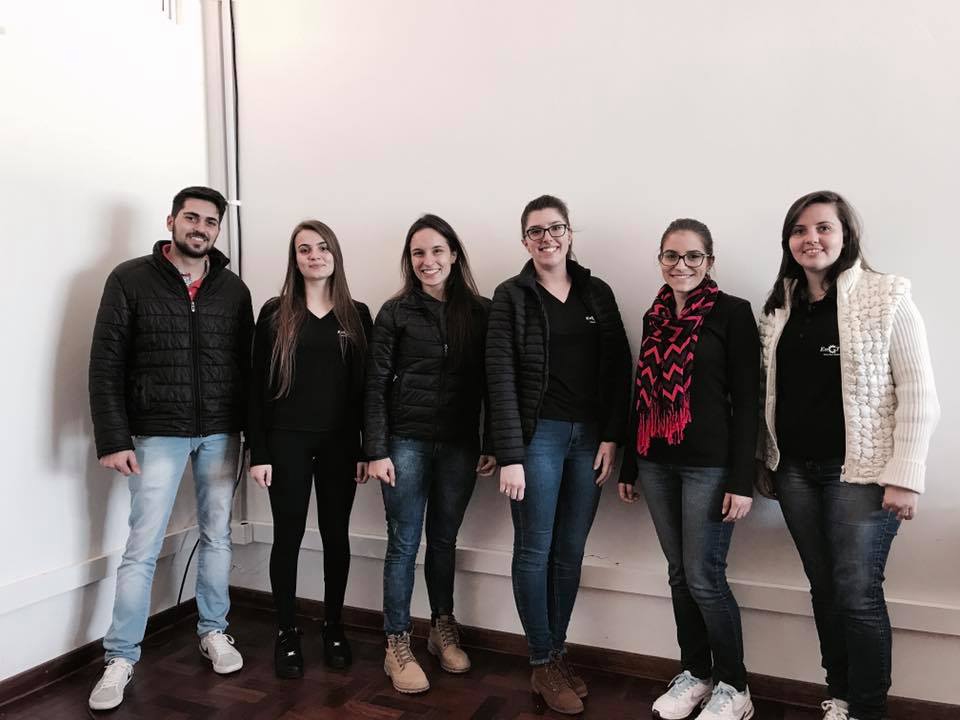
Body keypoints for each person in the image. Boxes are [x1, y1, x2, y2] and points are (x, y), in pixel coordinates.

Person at [756, 191, 939, 720]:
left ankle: (867, 708)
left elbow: (919, 392)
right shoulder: (779, 308)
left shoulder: (886, 295)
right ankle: (839, 694)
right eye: (799, 230)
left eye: (823, 227)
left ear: (845, 235)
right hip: (794, 472)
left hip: (861, 475)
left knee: (857, 593)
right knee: (825, 589)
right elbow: (767, 392)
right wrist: (764, 460)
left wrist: (905, 476)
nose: (810, 238)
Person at [87, 186, 254, 711]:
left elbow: (247, 368)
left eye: (210, 221)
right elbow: (105, 363)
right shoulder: (129, 279)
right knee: (142, 546)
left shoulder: (233, 289)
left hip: (221, 433)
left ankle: (213, 630)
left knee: (217, 536)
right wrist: (113, 438)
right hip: (156, 432)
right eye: (191, 217)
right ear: (172, 221)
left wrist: (254, 435)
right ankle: (120, 657)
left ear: (218, 229)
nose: (200, 228)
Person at [485, 194, 632, 715]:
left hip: (589, 439)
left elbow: (619, 366)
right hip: (536, 439)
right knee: (535, 548)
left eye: (555, 228)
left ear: (569, 233)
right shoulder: (511, 296)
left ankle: (557, 652)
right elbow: (499, 377)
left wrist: (613, 435)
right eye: (536, 231)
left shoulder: (597, 292)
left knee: (569, 551)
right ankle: (542, 660)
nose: (547, 238)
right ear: (524, 240)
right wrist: (510, 454)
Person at [619, 219, 760, 720]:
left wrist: (741, 480)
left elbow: (748, 402)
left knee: (704, 577)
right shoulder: (654, 314)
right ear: (660, 259)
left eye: (693, 256)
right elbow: (642, 392)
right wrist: (631, 465)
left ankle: (735, 687)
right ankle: (697, 674)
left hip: (709, 467)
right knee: (679, 574)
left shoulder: (732, 313)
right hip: (656, 461)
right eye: (671, 256)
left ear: (709, 261)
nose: (681, 265)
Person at [365, 214, 496, 694]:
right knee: (403, 543)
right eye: (418, 253)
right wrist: (376, 449)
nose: (428, 261)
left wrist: (491, 442)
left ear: (454, 255)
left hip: (459, 446)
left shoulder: (480, 312)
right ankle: (396, 643)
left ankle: (442, 628)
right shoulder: (394, 312)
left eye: (437, 250)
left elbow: (495, 383)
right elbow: (375, 385)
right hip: (405, 443)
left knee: (444, 540)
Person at [247, 220, 372, 678]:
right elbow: (255, 387)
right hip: (286, 442)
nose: (314, 255)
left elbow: (366, 390)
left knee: (336, 536)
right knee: (289, 536)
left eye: (322, 247)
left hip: (341, 444)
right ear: (294, 259)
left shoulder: (357, 315)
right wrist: (259, 452)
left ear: (335, 254)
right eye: (304, 249)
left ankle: (333, 626)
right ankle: (286, 631)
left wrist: (365, 448)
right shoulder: (274, 313)